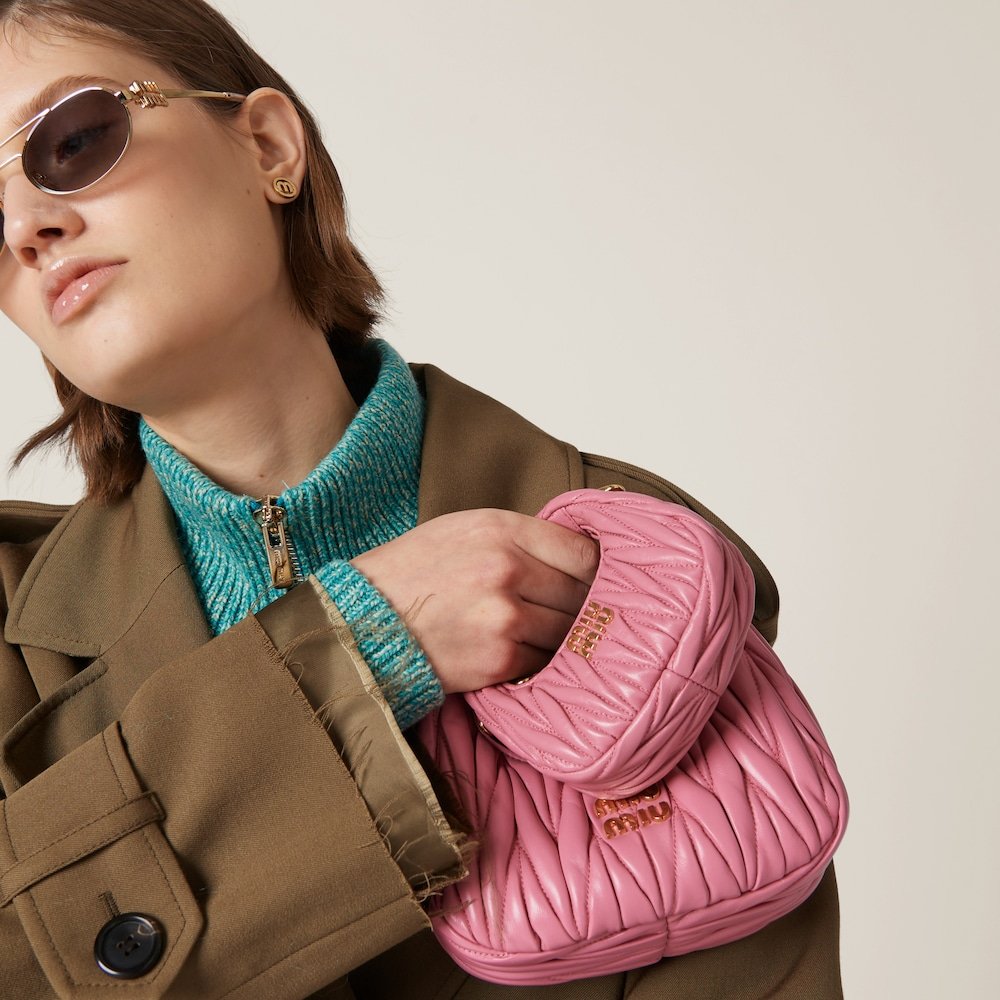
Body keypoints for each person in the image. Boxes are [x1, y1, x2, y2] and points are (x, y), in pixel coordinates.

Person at [0, 1, 843, 997]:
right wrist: (353, 651)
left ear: (267, 147)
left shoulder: (641, 574)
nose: (25, 229)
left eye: (73, 140)